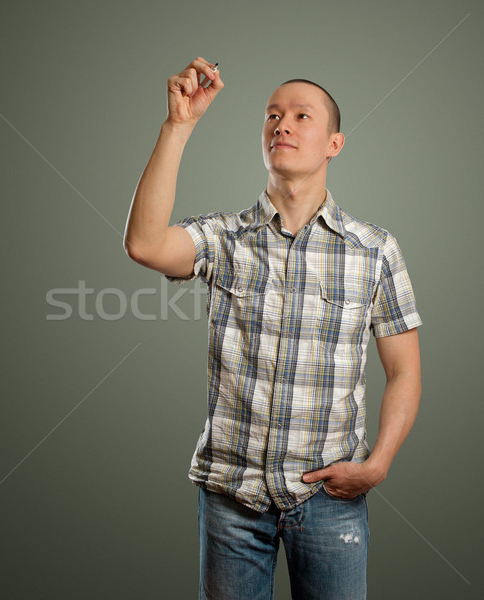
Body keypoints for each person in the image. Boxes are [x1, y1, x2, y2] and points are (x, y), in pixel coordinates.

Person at [123, 56, 422, 600]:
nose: (281, 123)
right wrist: (178, 126)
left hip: (331, 502)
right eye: (271, 115)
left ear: (335, 143)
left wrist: (376, 465)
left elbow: (404, 372)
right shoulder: (223, 238)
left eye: (301, 116)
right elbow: (144, 244)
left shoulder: (375, 249)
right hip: (230, 500)